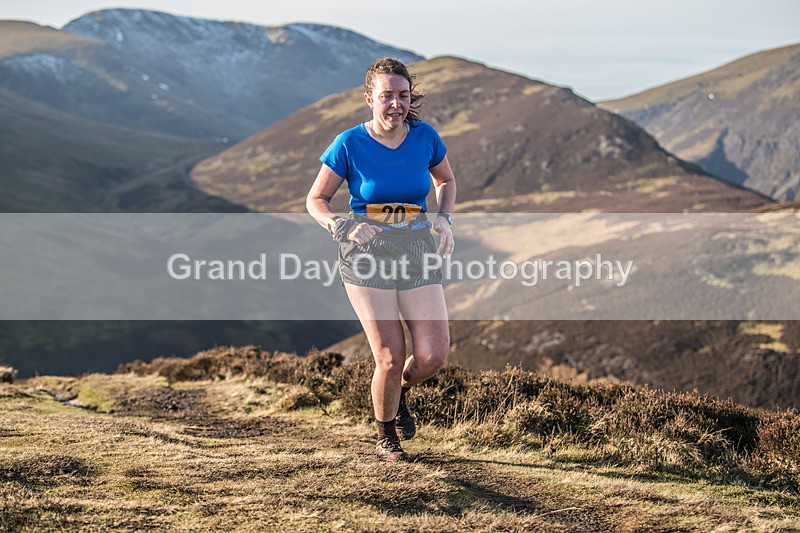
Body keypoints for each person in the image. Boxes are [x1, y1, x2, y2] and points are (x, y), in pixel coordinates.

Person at [306, 57, 456, 462]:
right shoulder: (349, 143)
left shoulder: (424, 137)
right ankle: (387, 437)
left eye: (403, 96)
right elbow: (316, 199)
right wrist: (342, 226)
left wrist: (443, 219)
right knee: (389, 357)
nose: (395, 104)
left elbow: (445, 180)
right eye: (386, 96)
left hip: (416, 247)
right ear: (369, 98)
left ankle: (401, 391)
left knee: (432, 356)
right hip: (366, 253)